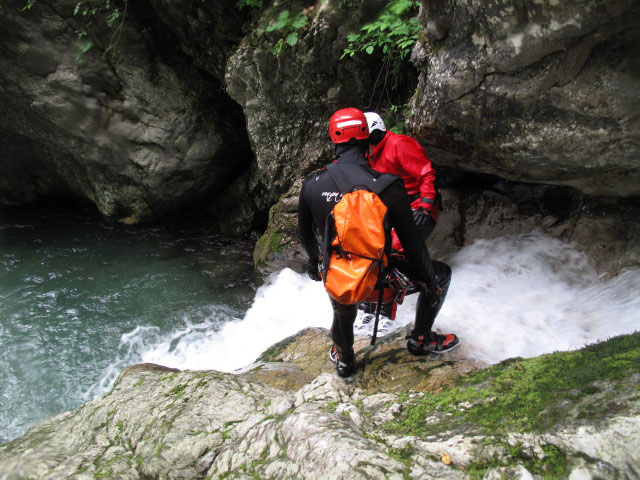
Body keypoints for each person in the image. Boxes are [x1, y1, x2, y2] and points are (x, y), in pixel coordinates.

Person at [297, 107, 459, 378]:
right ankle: (420, 340)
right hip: (380, 277)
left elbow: (304, 233)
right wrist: (430, 281)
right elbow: (411, 243)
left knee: (342, 308)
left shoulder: (312, 183)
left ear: (333, 140)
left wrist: (315, 264)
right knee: (442, 274)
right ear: (366, 136)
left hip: (338, 274)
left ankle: (345, 360)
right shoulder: (388, 184)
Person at [356, 112, 439, 327]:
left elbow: (426, 173)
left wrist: (426, 207)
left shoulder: (399, 145)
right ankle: (366, 308)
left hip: (414, 208)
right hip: (388, 212)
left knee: (392, 255)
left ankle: (385, 315)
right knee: (368, 252)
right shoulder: (369, 154)